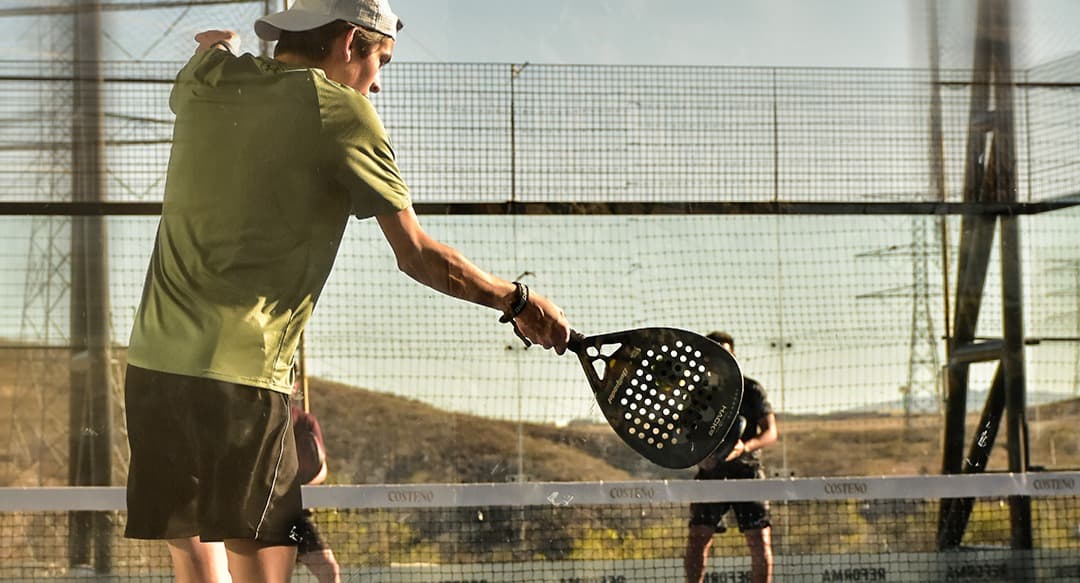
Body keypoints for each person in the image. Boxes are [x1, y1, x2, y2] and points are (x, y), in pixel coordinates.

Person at [122, 1, 571, 581]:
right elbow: (418, 256)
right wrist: (518, 300)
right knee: (260, 562)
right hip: (240, 377)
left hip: (153, 369)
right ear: (350, 43)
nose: (377, 82)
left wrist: (221, 45)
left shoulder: (207, 79)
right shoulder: (343, 111)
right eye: (380, 59)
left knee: (191, 550)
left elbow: (207, 54)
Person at [684, 331, 778, 583]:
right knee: (697, 538)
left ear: (734, 355)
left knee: (759, 540)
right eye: (715, 353)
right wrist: (701, 457)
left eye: (726, 353)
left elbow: (770, 433)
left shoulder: (752, 390)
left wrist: (743, 448)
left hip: (748, 474)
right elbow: (686, 438)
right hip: (711, 475)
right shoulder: (697, 395)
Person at [290, 376, 341, 583]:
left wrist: (300, 490)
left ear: (295, 387)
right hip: (257, 516)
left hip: (293, 521)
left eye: (290, 379)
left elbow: (321, 469)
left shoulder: (305, 422)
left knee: (329, 570)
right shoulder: (255, 420)